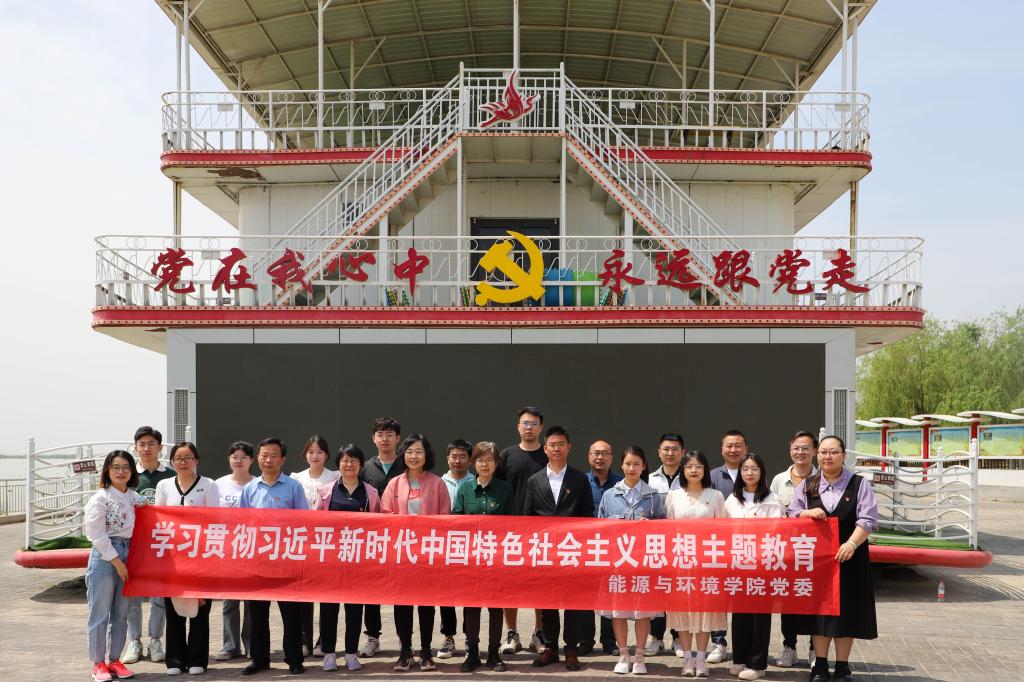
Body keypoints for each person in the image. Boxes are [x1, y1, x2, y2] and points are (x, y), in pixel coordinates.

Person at [789, 436, 878, 682]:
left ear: (843, 456)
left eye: (834, 452)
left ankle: (842, 666)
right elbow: (792, 513)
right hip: (818, 562)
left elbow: (868, 519)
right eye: (823, 452)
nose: (827, 457)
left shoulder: (858, 484)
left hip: (850, 559)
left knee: (846, 614)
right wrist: (805, 512)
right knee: (819, 614)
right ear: (817, 455)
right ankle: (819, 665)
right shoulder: (807, 485)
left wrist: (851, 543)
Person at [522, 425, 595, 672]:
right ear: (545, 448)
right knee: (548, 603)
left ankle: (571, 649)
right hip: (544, 551)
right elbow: (528, 517)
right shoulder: (534, 480)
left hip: (571, 550)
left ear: (568, 447)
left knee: (572, 603)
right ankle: (550, 648)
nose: (556, 449)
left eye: (561, 444)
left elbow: (587, 513)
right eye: (552, 445)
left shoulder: (579, 478)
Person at [238, 437, 309, 676]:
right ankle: (259, 659)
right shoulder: (250, 489)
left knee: (291, 613)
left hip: (286, 560)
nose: (268, 460)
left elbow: (303, 522)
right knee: (257, 614)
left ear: (283, 459)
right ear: (258, 458)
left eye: (273, 455)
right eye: (264, 455)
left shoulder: (293, 487)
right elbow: (242, 524)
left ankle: (294, 659)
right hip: (258, 561)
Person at [381, 434, 451, 672]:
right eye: (409, 451)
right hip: (401, 554)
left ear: (426, 455)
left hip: (427, 555)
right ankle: (405, 652)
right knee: (402, 604)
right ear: (403, 455)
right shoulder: (394, 483)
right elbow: (385, 514)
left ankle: (426, 651)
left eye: (418, 451)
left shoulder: (437, 483)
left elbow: (445, 518)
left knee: (426, 604)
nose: (413, 456)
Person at [596, 446, 666, 676]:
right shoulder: (610, 495)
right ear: (621, 465)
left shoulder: (653, 496)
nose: (632, 468)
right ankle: (624, 654)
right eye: (628, 463)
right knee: (619, 611)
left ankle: (639, 656)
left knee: (642, 612)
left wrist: (650, 528)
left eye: (636, 464)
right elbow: (600, 528)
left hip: (643, 564)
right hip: (618, 564)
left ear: (644, 466)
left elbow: (663, 529)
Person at [314, 444, 381, 673]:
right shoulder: (326, 491)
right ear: (338, 464)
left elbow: (378, 526)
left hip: (358, 562)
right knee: (328, 609)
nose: (349, 464)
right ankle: (329, 654)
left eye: (354, 460)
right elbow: (316, 525)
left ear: (361, 465)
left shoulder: (370, 493)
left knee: (354, 609)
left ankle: (351, 653)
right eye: (344, 460)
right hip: (331, 561)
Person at [154, 442, 220, 675]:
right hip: (172, 557)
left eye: (188, 458)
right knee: (173, 609)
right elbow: (158, 518)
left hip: (201, 556)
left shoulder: (209, 485)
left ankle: (197, 660)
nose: (183, 463)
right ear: (172, 462)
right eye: (178, 459)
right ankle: (174, 660)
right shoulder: (163, 485)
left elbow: (215, 520)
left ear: (196, 460)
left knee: (200, 609)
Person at [451, 442, 513, 673]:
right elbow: (456, 522)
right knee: (472, 607)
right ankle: (473, 653)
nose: (484, 464)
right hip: (471, 559)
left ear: (496, 463)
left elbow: (514, 524)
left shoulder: (505, 489)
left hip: (497, 558)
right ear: (473, 463)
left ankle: (494, 653)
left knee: (496, 607)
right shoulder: (465, 489)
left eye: (489, 460)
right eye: (480, 460)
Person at [666, 450, 727, 678]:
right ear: (683, 470)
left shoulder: (716, 495)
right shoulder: (674, 496)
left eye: (698, 466)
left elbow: (722, 531)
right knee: (683, 610)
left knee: (704, 611)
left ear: (705, 469)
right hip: (681, 563)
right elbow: (668, 530)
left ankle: (701, 659)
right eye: (689, 466)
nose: (694, 470)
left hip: (707, 564)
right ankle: (687, 659)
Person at [724, 453, 785, 681]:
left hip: (762, 566)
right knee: (740, 614)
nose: (749, 473)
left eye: (754, 469)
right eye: (745, 469)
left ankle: (757, 663)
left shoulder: (772, 500)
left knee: (760, 615)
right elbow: (723, 530)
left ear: (762, 472)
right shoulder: (732, 500)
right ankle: (739, 659)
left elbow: (779, 532)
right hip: (738, 565)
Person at [84, 450, 143, 682]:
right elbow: (97, 536)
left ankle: (115, 659)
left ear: (132, 471)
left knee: (121, 612)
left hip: (131, 551)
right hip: (105, 556)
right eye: (116, 467)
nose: (121, 472)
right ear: (107, 470)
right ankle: (98, 663)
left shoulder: (135, 498)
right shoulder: (100, 498)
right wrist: (118, 562)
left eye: (126, 467)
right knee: (100, 613)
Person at [497, 406, 548, 655]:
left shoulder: (548, 455)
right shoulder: (506, 456)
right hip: (510, 531)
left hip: (541, 531)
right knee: (509, 585)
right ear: (518, 427)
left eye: (534, 423)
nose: (529, 427)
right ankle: (511, 633)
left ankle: (539, 632)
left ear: (541, 427)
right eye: (525, 423)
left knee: (540, 584)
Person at [769, 431, 818, 669]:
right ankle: (789, 647)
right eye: (796, 448)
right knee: (788, 601)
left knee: (815, 601)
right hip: (787, 552)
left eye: (805, 448)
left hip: (816, 553)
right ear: (790, 450)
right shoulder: (779, 480)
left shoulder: (824, 478)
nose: (800, 452)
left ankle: (815, 649)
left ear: (814, 451)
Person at [355, 416, 403, 658]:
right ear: (373, 438)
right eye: (380, 434)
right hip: (373, 539)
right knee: (371, 591)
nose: (385, 439)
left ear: (398, 438)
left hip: (402, 539)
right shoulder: (365, 468)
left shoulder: (406, 464)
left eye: (389, 434)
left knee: (402, 589)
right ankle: (373, 637)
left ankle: (405, 638)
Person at [124, 426, 172, 665]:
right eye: (142, 444)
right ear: (135, 448)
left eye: (151, 443)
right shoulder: (128, 475)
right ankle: (134, 641)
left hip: (162, 544)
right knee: (133, 597)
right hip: (133, 544)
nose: (146, 448)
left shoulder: (171, 475)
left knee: (159, 597)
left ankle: (155, 640)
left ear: (160, 447)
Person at [291, 435, 341, 658]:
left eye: (319, 452)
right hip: (303, 540)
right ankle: (304, 640)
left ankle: (324, 640)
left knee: (326, 593)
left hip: (327, 542)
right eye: (311, 452)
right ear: (305, 454)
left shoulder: (335, 476)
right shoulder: (296, 478)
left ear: (326, 455)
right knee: (304, 593)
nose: (315, 456)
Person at [706, 429, 749, 665]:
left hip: (747, 549)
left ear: (745, 448)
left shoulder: (752, 471)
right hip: (718, 548)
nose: (733, 450)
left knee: (744, 596)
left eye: (738, 445)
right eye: (729, 446)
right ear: (722, 449)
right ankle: (718, 643)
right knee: (718, 597)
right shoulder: (712, 476)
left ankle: (745, 645)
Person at [645, 432, 686, 657]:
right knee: (657, 592)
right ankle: (656, 638)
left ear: (682, 452)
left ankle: (678, 638)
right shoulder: (650, 479)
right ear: (659, 452)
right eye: (666, 449)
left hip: (681, 545)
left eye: (675, 449)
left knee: (678, 593)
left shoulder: (690, 476)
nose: (670, 453)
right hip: (657, 545)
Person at [214, 441, 255, 662]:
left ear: (252, 460)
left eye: (243, 457)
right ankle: (230, 646)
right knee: (229, 601)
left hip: (252, 549)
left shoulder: (258, 484)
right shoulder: (218, 485)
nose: (238, 461)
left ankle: (251, 644)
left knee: (251, 601)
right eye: (234, 457)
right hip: (227, 549)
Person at [583, 439, 622, 656]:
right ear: (589, 456)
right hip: (586, 545)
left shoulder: (620, 483)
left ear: (611, 458)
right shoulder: (580, 481)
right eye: (596, 453)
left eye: (604, 453)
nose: (600, 457)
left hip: (614, 546)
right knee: (587, 593)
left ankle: (609, 640)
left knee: (610, 592)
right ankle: (585, 639)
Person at [437, 438, 475, 660]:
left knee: (470, 595)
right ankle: (449, 638)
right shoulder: (438, 483)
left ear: (470, 460)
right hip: (445, 547)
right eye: (454, 456)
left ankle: (471, 638)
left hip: (471, 547)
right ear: (447, 459)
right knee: (446, 595)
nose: (457, 460)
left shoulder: (476, 482)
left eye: (462, 456)